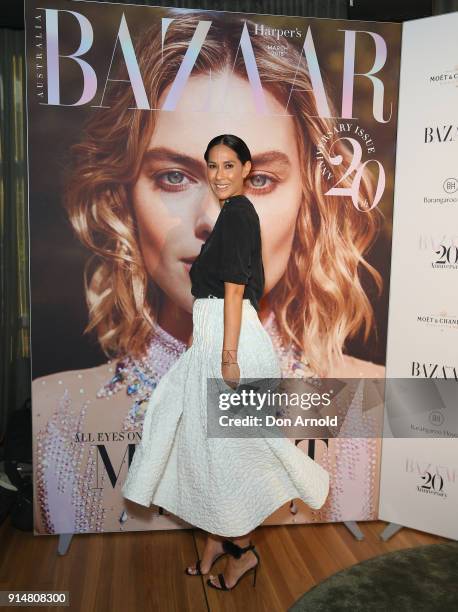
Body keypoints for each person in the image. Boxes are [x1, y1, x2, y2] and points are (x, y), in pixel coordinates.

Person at [32, 10, 386, 536]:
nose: (212, 220)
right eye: (174, 176)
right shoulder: (52, 420)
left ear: (309, 201)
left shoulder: (378, 409)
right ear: (123, 196)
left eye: (259, 179)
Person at [121, 133, 330, 591]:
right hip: (215, 338)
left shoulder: (238, 215)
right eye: (211, 166)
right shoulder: (230, 215)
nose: (218, 175)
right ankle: (219, 540)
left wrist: (228, 357)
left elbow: (234, 289)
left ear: (246, 169)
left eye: (228, 166)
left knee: (237, 454)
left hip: (230, 344)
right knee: (206, 450)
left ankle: (243, 554)